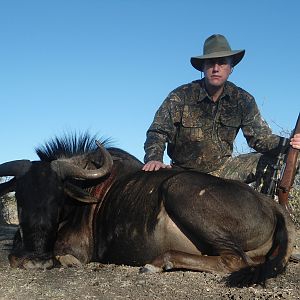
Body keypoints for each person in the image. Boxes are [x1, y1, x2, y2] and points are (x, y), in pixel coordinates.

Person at [143, 34, 300, 190]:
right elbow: (158, 131)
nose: (216, 68)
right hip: (183, 172)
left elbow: (260, 139)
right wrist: (154, 158)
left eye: (222, 63)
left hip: (224, 170)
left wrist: (290, 145)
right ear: (203, 67)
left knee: (280, 160)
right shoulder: (181, 96)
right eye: (211, 63)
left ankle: (270, 209)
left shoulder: (243, 100)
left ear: (231, 68)